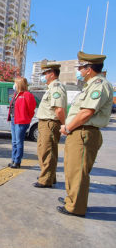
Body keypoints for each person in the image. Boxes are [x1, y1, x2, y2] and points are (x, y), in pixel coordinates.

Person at [57, 51, 113, 217]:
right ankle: (72, 199)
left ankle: (76, 207)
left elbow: (86, 113)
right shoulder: (91, 85)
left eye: (81, 67)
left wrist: (67, 128)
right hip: (79, 132)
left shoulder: (99, 85)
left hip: (84, 132)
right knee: (71, 169)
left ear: (89, 69)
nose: (79, 70)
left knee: (78, 171)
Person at [33, 63, 67, 188]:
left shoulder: (56, 88)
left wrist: (64, 125)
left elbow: (59, 110)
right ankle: (49, 176)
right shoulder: (51, 88)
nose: (43, 76)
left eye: (45, 74)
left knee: (48, 151)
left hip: (50, 123)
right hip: (45, 123)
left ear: (52, 74)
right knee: (43, 151)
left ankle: (46, 179)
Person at [7, 77, 36, 168]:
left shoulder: (27, 95)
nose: (14, 85)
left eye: (15, 83)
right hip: (14, 120)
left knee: (19, 142)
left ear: (19, 84)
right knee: (14, 142)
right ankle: (13, 159)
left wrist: (27, 118)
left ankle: (17, 161)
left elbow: (31, 109)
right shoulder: (16, 94)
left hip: (21, 121)